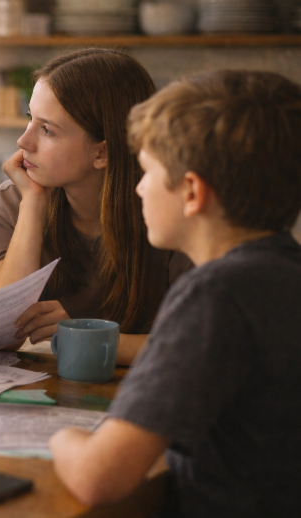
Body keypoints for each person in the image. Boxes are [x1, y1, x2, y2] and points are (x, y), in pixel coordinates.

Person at [49, 70, 301, 517]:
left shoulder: (214, 295)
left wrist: (56, 431)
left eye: (146, 171)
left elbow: (98, 477)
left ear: (191, 192)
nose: (139, 187)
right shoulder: (285, 270)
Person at [0, 49, 190, 365]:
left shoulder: (171, 214)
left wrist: (86, 334)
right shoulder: (17, 199)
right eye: (30, 119)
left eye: (47, 130)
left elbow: (200, 345)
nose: (23, 142)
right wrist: (34, 203)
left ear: (102, 153)